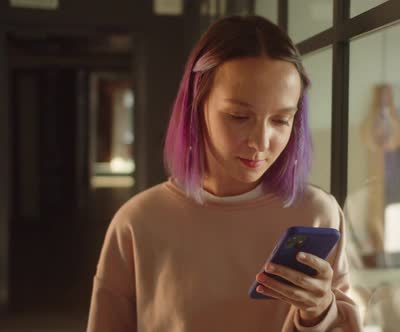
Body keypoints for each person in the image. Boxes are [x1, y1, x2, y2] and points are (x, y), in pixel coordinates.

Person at [87, 15, 361, 331]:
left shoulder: (317, 214)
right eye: (239, 116)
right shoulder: (138, 222)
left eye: (281, 120)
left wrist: (319, 312)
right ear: (196, 106)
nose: (260, 142)